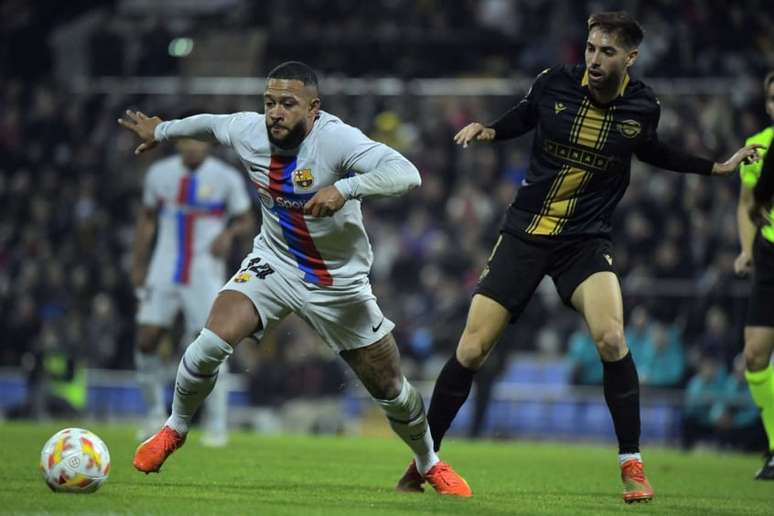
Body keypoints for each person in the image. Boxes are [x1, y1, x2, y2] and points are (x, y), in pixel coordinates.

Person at [396, 11, 763, 503]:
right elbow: (524, 116)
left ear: (630, 57)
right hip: (526, 232)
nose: (594, 58)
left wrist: (714, 167)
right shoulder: (554, 84)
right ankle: (425, 460)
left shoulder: (642, 105)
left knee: (612, 337)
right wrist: (489, 130)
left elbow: (651, 149)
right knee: (470, 350)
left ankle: (631, 464)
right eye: (590, 48)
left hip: (585, 242)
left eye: (606, 51)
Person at [117, 61, 471, 496]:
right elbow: (209, 125)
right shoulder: (248, 131)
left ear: (313, 108)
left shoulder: (336, 140)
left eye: (288, 103)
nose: (275, 113)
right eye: (270, 103)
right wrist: (163, 130)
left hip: (337, 282)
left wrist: (346, 189)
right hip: (275, 264)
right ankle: (174, 428)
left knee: (392, 389)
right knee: (210, 342)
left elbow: (408, 174)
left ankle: (428, 463)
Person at [132, 133, 254, 446]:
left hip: (204, 273)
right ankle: (152, 415)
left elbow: (245, 220)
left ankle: (217, 425)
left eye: (199, 140)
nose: (193, 146)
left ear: (209, 144)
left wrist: (228, 234)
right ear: (178, 143)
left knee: (211, 346)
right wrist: (139, 263)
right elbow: (147, 220)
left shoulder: (225, 178)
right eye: (187, 140)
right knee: (147, 340)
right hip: (164, 269)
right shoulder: (160, 175)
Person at [735, 70, 774, 480]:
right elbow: (747, 203)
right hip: (769, 254)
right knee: (754, 355)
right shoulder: (759, 147)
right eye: (772, 99)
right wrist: (747, 249)